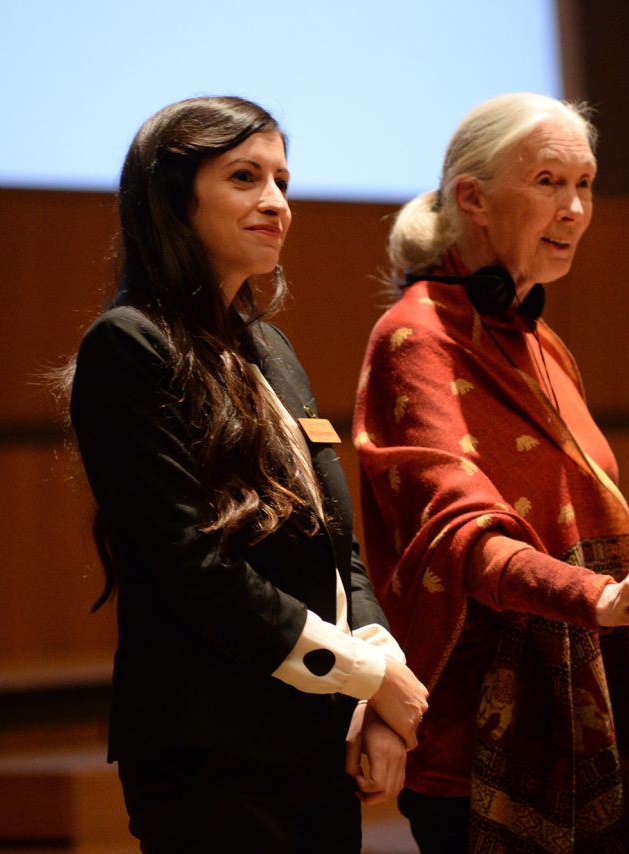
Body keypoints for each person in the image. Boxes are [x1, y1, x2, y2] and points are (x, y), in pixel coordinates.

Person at [65, 96, 428, 852]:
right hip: (211, 755)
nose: (276, 202)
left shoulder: (273, 350)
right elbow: (192, 567)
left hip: (315, 742)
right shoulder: (127, 347)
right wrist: (367, 674)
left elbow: (339, 549)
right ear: (172, 196)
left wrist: (378, 687)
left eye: (283, 181)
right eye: (244, 177)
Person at [353, 93, 629, 853]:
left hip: (595, 718)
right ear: (473, 199)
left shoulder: (539, 340)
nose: (576, 208)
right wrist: (603, 595)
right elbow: (462, 533)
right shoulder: (417, 336)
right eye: (550, 182)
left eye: (585, 184)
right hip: (482, 744)